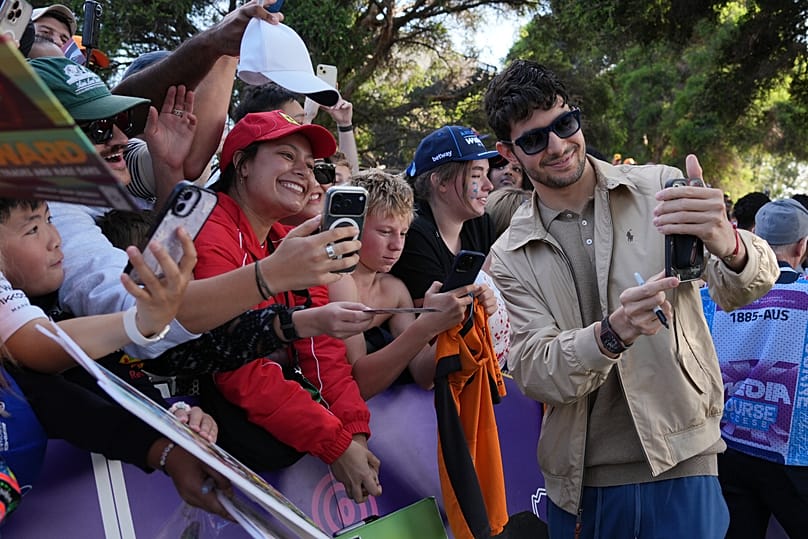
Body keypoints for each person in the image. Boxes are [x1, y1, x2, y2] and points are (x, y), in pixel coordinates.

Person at [482, 59, 779, 538]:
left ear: (576, 117)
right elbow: (535, 371)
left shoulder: (659, 188)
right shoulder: (509, 252)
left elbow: (744, 289)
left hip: (684, 459)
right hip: (582, 484)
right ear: (508, 152)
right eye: (535, 139)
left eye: (564, 124)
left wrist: (729, 241)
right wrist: (611, 333)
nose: (558, 146)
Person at [194, 110, 381, 503]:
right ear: (242, 164)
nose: (305, 173)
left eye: (311, 165)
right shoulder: (209, 228)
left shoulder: (288, 239)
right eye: (286, 155)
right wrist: (335, 443)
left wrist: (354, 432)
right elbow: (239, 370)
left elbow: (322, 350)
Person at [702, 198, 808, 538]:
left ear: (753, 235)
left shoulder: (713, 296)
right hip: (793, 458)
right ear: (803, 245)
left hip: (728, 446)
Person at [330, 169, 476, 397]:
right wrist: (426, 325)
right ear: (352, 227)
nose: (397, 245)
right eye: (385, 232)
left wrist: (459, 321)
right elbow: (358, 384)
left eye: (404, 233)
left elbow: (424, 375)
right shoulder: (336, 280)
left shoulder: (393, 289)